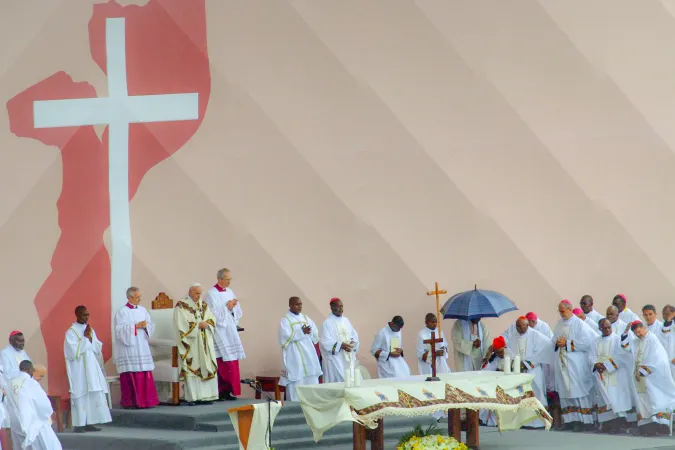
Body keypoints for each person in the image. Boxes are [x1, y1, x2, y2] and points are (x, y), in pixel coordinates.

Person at [621, 321, 675, 436]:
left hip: (653, 377)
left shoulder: (652, 339)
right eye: (635, 333)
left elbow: (658, 358)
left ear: (643, 328)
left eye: (639, 332)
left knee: (655, 400)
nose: (638, 335)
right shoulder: (636, 341)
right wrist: (626, 332)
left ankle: (660, 425)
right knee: (644, 402)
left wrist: (642, 371)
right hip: (640, 378)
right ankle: (647, 426)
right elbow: (625, 347)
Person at [64, 305, 111, 432]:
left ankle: (90, 421)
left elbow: (96, 348)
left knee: (92, 394)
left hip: (91, 367)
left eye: (88, 315)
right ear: (77, 315)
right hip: (78, 370)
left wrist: (90, 338)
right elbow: (73, 352)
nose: (86, 317)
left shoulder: (90, 329)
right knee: (81, 394)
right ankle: (79, 424)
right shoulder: (71, 332)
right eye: (84, 315)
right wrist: (85, 339)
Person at [552, 299, 596, 431]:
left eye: (563, 311)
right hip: (562, 363)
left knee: (577, 390)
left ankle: (583, 421)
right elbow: (553, 339)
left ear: (570, 309)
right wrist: (557, 342)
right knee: (565, 391)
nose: (561, 314)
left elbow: (588, 341)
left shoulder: (579, 324)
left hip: (575, 363)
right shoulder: (559, 324)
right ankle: (570, 420)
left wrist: (567, 343)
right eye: (559, 311)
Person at [113, 287, 159, 409]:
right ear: (129, 298)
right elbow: (120, 330)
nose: (139, 299)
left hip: (142, 345)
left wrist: (146, 326)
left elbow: (150, 325)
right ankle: (131, 401)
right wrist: (135, 326)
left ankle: (147, 401)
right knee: (132, 373)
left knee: (144, 371)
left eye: (140, 297)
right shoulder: (122, 312)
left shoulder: (143, 310)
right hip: (130, 347)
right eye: (137, 297)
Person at [204, 269, 246, 401]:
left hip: (230, 329)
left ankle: (229, 391)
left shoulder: (229, 292)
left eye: (230, 279)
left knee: (232, 360)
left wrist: (233, 307)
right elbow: (210, 314)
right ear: (219, 279)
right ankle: (220, 391)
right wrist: (226, 307)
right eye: (227, 279)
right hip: (219, 331)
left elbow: (236, 311)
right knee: (222, 361)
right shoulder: (211, 294)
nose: (229, 281)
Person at [504, 316, 552, 428]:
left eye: (523, 326)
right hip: (519, 371)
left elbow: (543, 350)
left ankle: (540, 422)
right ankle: (525, 421)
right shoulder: (512, 337)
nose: (521, 328)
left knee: (536, 393)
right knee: (521, 395)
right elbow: (509, 352)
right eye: (518, 327)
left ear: (527, 325)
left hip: (533, 370)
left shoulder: (536, 335)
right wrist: (515, 363)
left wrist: (526, 364)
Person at [174, 283, 218, 405]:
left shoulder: (203, 305)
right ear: (190, 292)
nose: (199, 296)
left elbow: (212, 319)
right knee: (193, 366)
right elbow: (180, 325)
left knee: (207, 365)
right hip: (191, 343)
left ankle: (207, 396)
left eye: (200, 293)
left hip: (204, 342)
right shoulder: (181, 306)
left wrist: (207, 324)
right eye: (197, 293)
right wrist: (197, 325)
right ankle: (192, 397)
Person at [589, 319, 635, 434]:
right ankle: (605, 425)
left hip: (614, 373)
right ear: (599, 328)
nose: (607, 329)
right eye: (604, 328)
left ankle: (617, 425)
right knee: (603, 400)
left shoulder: (617, 339)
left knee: (615, 399)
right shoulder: (595, 341)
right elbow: (591, 356)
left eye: (609, 327)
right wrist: (595, 364)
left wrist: (606, 366)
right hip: (601, 375)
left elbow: (621, 356)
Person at [6, 360, 62, 449]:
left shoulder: (9, 383)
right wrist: (48, 414)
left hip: (16, 422)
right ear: (30, 370)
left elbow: (8, 403)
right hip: (33, 421)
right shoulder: (31, 383)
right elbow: (43, 403)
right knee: (47, 444)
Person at [278, 296, 322, 400]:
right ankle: (294, 407)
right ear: (290, 305)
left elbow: (315, 334)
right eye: (297, 304)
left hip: (308, 353)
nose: (300, 306)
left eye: (301, 304)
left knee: (310, 379)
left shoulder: (305, 318)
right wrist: (302, 332)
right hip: (294, 355)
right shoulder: (285, 320)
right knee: (296, 379)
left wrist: (310, 332)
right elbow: (284, 337)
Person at [320, 298, 360, 383]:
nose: (341, 309)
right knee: (339, 383)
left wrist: (352, 343)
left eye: (342, 306)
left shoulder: (346, 320)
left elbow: (354, 335)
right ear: (332, 307)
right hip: (335, 359)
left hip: (348, 357)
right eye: (338, 307)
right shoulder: (327, 323)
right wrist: (341, 345)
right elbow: (325, 342)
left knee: (353, 380)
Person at [479, 336, 507, 426]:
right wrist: (488, 354)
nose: (501, 354)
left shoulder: (511, 356)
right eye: (498, 352)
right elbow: (484, 370)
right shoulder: (494, 358)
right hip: (495, 385)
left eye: (502, 351)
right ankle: (486, 420)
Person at [525, 312, 555, 393]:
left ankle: (549, 391)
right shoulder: (527, 327)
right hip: (533, 355)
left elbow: (550, 339)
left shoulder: (544, 326)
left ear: (533, 322)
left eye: (528, 323)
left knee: (546, 374)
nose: (527, 325)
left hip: (544, 353)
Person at [659, 304, 675, 379]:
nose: (665, 316)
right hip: (666, 359)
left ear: (673, 313)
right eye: (663, 314)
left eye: (667, 314)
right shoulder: (662, 325)